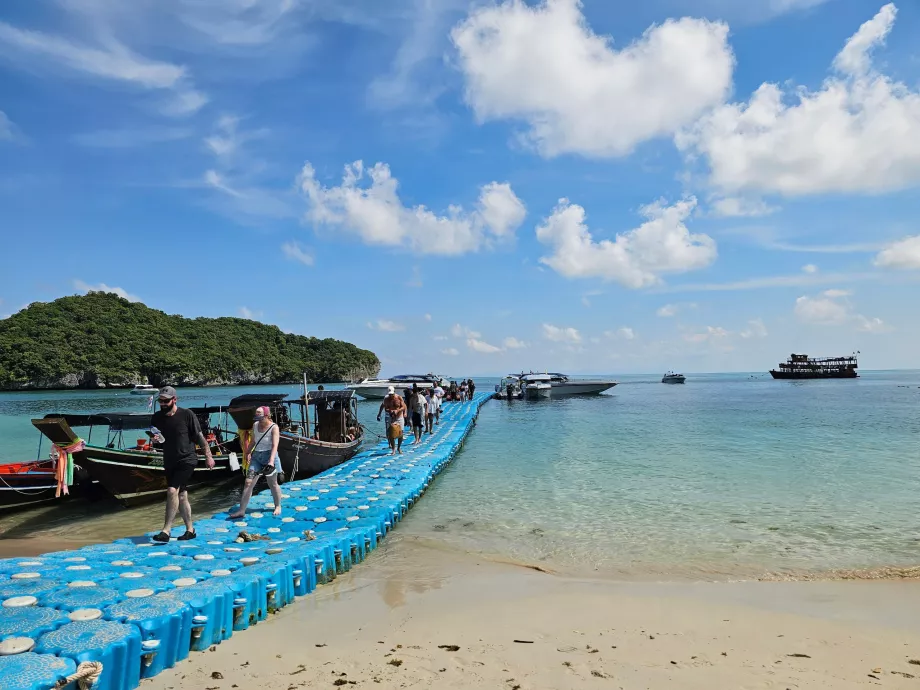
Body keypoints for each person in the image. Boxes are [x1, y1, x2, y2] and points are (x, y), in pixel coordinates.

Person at [150, 386, 214, 542]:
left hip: (187, 459)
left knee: (172, 490)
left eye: (166, 401)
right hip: (170, 459)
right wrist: (154, 441)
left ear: (174, 399)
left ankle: (166, 531)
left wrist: (208, 456)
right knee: (182, 495)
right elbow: (157, 441)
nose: (163, 404)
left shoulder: (187, 415)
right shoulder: (157, 417)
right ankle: (190, 530)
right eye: (161, 401)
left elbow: (199, 437)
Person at [229, 406, 282, 519]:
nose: (257, 417)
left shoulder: (274, 427)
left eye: (260, 415)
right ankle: (242, 510)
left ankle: (277, 505)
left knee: (272, 483)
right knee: (248, 482)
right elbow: (254, 440)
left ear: (267, 415)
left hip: (269, 456)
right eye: (256, 414)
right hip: (257, 456)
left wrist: (271, 461)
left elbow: (274, 445)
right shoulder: (255, 425)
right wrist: (247, 453)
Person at [377, 386, 406, 455]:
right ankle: (393, 449)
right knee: (391, 433)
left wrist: (398, 410)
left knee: (400, 433)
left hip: (399, 417)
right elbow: (385, 408)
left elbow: (404, 406)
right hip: (391, 417)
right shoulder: (386, 399)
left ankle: (399, 447)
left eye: (392, 394)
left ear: (394, 393)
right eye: (390, 394)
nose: (391, 396)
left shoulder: (399, 397)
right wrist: (391, 411)